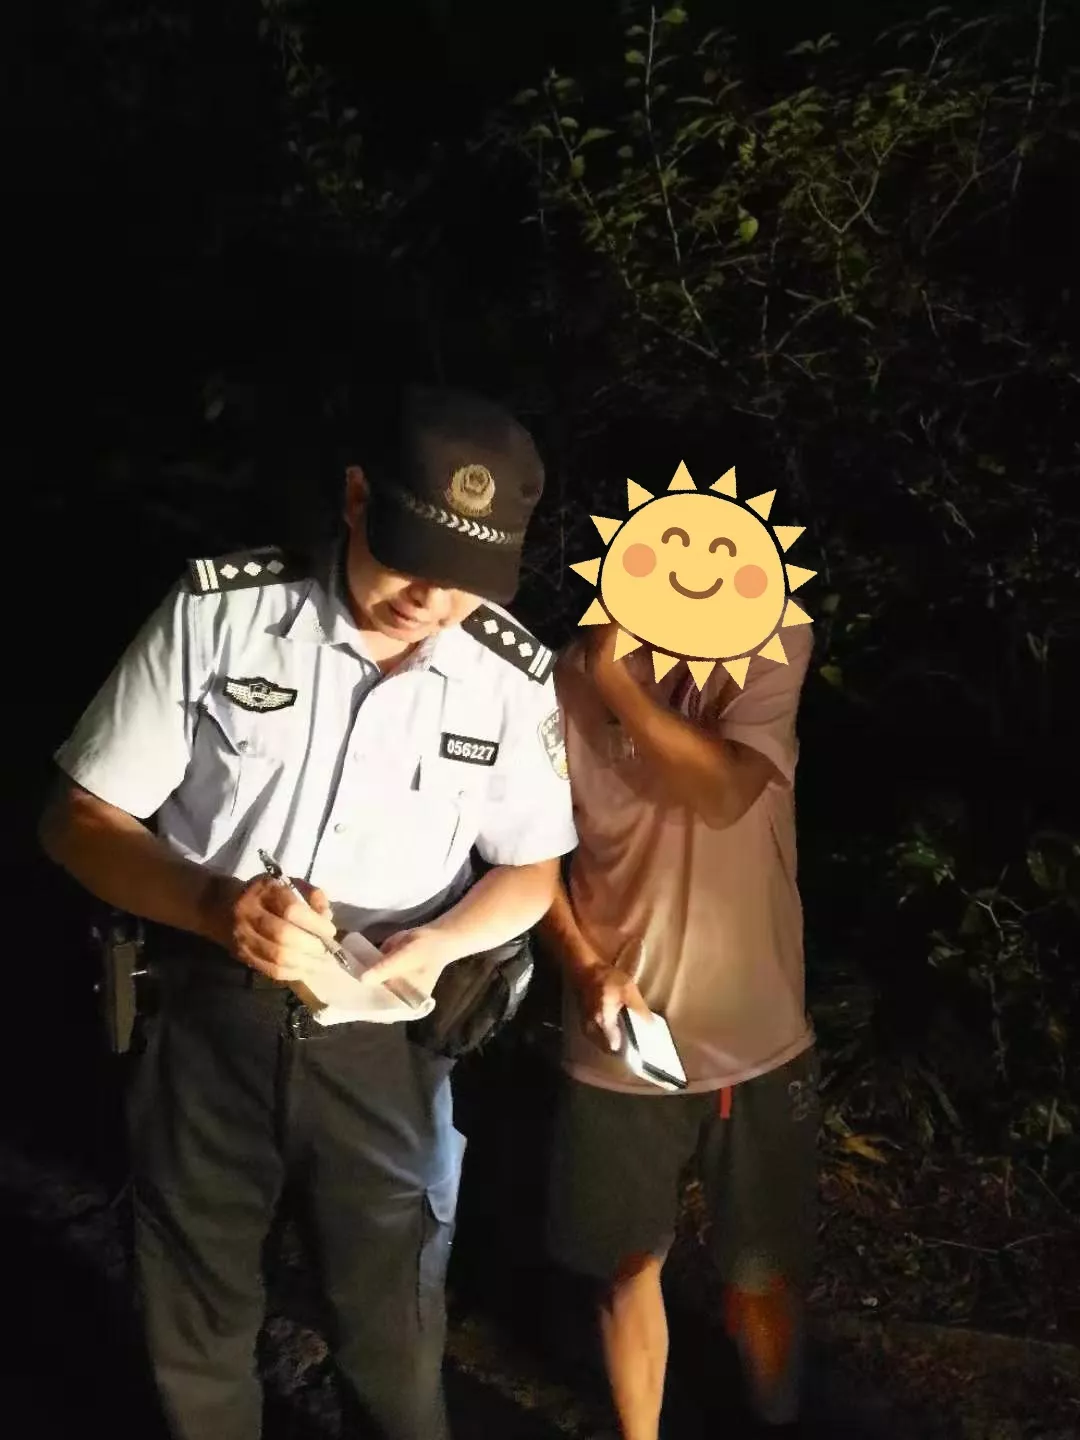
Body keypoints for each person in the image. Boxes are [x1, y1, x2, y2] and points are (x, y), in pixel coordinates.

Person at [38, 384, 577, 1440]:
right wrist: (214, 904)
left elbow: (532, 870)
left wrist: (442, 940)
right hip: (206, 1009)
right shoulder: (221, 615)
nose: (432, 599)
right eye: (412, 558)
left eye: (465, 579)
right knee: (194, 1314)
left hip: (388, 1041)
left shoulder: (510, 675)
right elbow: (78, 820)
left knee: (395, 1328)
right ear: (357, 497)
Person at [539, 616, 819, 1438]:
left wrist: (616, 683)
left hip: (756, 1033)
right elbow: (531, 854)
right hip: (619, 1035)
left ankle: (778, 1418)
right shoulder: (550, 681)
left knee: (763, 1272)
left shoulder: (772, 642)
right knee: (625, 1270)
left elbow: (726, 791)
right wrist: (585, 968)